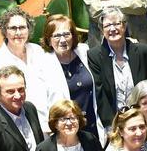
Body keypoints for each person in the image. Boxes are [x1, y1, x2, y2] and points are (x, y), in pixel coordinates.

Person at [36, 14, 103, 143]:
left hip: (92, 125)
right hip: (66, 131)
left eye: (66, 34)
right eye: (56, 35)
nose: (62, 40)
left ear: (73, 36)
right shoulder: (42, 64)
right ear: (49, 40)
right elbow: (40, 105)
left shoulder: (84, 51)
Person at [87, 8, 147, 129]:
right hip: (115, 122)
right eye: (107, 25)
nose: (113, 29)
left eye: (117, 23)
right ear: (102, 30)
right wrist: (112, 127)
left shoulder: (142, 51)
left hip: (143, 118)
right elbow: (100, 95)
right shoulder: (94, 56)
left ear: (124, 26)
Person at [0, 6, 45, 85]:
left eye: (22, 27)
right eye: (13, 28)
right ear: (5, 31)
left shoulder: (37, 50)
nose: (18, 33)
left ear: (28, 30)